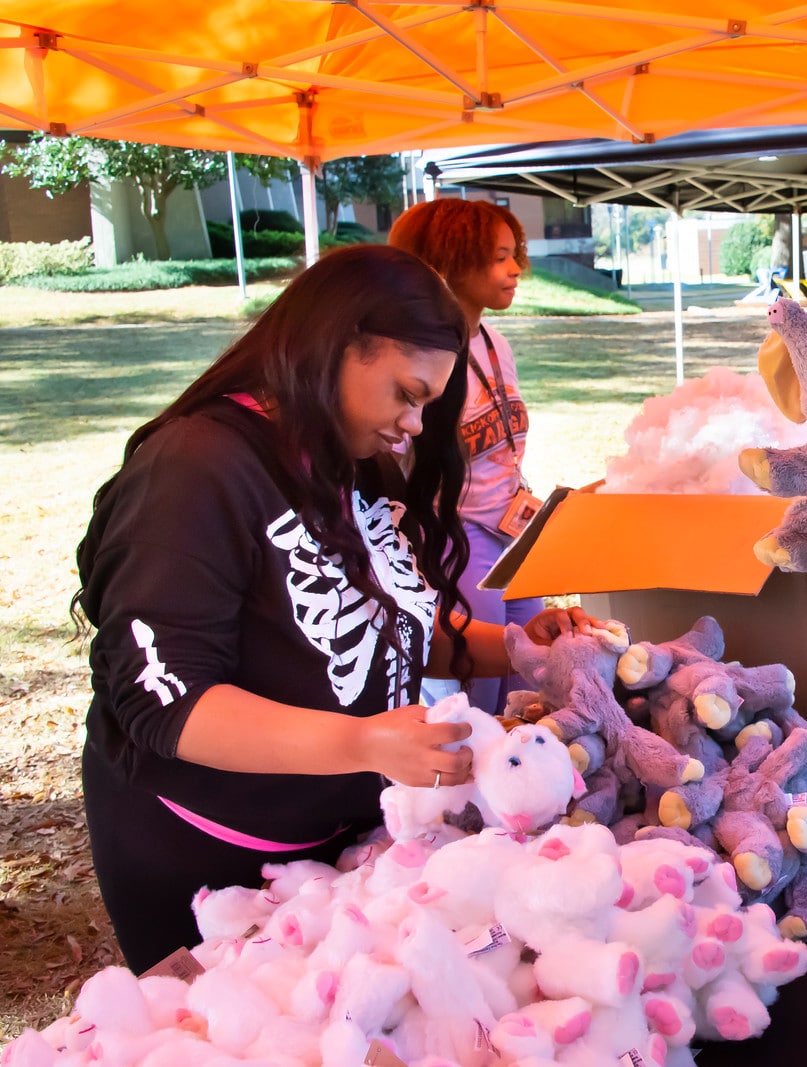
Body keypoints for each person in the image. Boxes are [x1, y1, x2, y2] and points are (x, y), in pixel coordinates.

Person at [74, 245, 587, 973]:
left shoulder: (351, 458)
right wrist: (361, 743)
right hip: (206, 855)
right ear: (338, 343)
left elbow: (389, 620)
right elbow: (167, 702)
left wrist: (516, 647)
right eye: (406, 394)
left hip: (334, 845)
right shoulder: (196, 467)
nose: (413, 425)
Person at [388, 199, 543, 716]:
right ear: (450, 260)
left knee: (532, 674)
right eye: (499, 258)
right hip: (456, 535)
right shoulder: (417, 356)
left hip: (514, 534)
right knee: (475, 696)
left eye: (513, 254)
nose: (515, 269)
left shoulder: (496, 342)